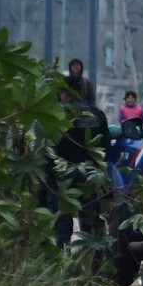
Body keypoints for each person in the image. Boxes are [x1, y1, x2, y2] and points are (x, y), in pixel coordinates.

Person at [48, 83, 113, 250]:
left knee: (61, 221)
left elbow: (51, 147)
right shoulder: (97, 114)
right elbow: (106, 147)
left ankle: (61, 259)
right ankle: (93, 260)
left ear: (64, 94)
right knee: (91, 220)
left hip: (64, 173)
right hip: (90, 174)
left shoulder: (60, 114)